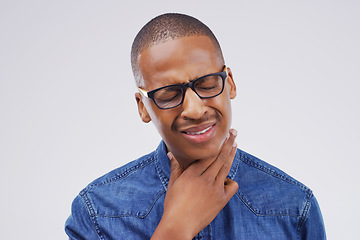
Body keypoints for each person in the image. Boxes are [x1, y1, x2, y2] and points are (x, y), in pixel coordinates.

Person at [65, 13, 326, 239]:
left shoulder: (295, 207)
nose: (195, 109)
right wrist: (175, 228)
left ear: (230, 83)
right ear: (143, 107)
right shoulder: (97, 213)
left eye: (208, 84)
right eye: (169, 93)